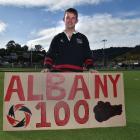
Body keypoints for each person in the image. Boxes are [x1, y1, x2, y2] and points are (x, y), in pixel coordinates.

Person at [42, 8, 94, 72]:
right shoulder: (57, 38)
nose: (70, 20)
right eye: (68, 18)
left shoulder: (83, 38)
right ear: (64, 19)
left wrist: (91, 68)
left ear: (76, 21)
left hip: (76, 76)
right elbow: (50, 55)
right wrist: (47, 67)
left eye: (73, 18)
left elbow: (88, 56)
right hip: (57, 76)